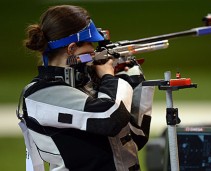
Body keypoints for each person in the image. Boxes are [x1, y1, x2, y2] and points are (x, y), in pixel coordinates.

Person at [18, 5, 155, 171]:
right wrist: (109, 78)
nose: (93, 50)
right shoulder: (39, 94)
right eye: (90, 43)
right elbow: (111, 118)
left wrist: (134, 81)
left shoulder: (86, 85)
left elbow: (135, 138)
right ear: (72, 49)